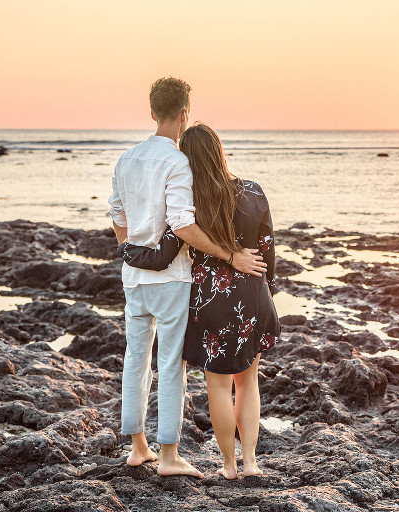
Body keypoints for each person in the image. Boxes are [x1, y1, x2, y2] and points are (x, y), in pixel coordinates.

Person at [107, 77, 267, 478]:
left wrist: (136, 251)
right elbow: (182, 225)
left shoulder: (126, 159)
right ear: (183, 115)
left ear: (151, 113)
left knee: (134, 360)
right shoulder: (177, 162)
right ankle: (168, 457)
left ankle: (136, 448)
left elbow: (117, 218)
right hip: (172, 280)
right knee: (170, 365)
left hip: (134, 278)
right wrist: (230, 254)